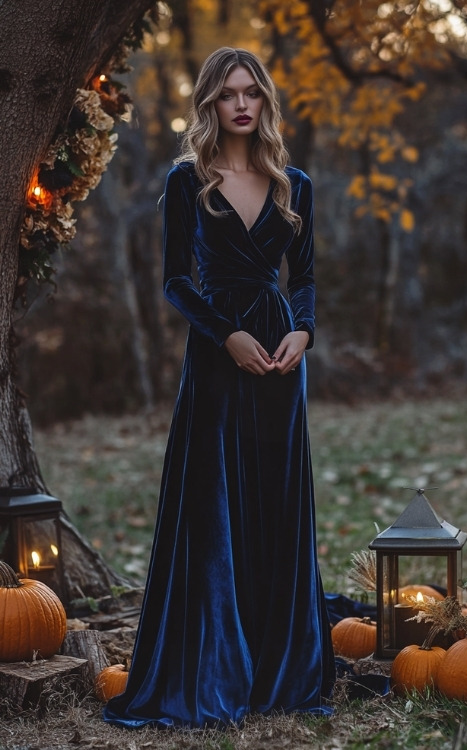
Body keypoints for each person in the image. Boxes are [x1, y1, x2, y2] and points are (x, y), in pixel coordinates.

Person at [103, 46, 335, 730]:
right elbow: (176, 279)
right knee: (215, 506)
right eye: (228, 93)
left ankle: (279, 665)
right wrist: (225, 336)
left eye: (252, 92)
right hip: (216, 352)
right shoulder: (187, 181)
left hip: (280, 360)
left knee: (275, 498)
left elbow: (308, 277)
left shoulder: (295, 182)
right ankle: (215, 667)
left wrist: (305, 331)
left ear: (264, 101)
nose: (241, 103)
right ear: (209, 102)